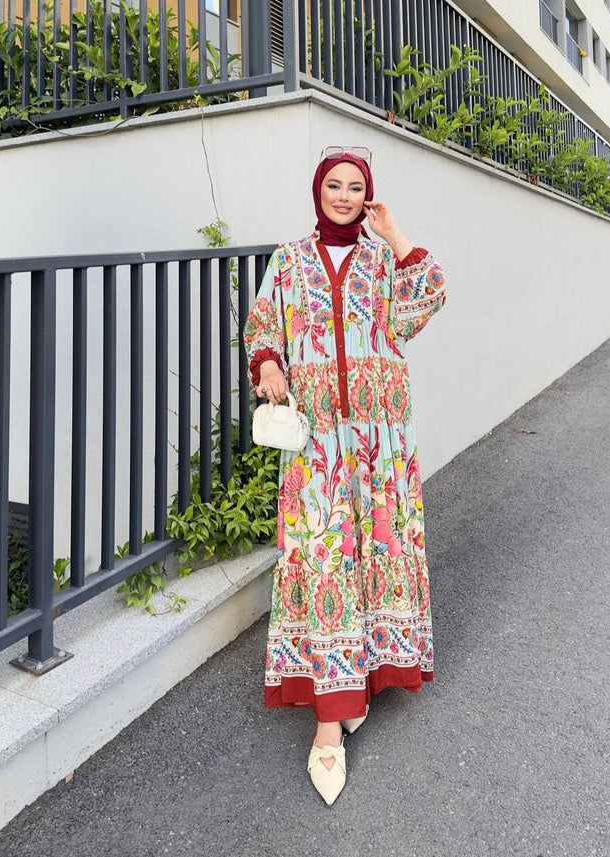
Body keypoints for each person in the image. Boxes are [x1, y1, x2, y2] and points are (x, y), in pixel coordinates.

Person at [242, 145, 446, 805]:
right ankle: (330, 717)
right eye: (335, 184)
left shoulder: (383, 260)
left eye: (356, 187)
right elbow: (262, 327)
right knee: (326, 564)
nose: (344, 195)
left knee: (374, 557)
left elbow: (432, 293)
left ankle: (358, 677)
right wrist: (269, 365)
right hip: (319, 446)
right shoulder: (290, 260)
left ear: (368, 195)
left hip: (381, 443)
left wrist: (393, 232)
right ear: (317, 190)